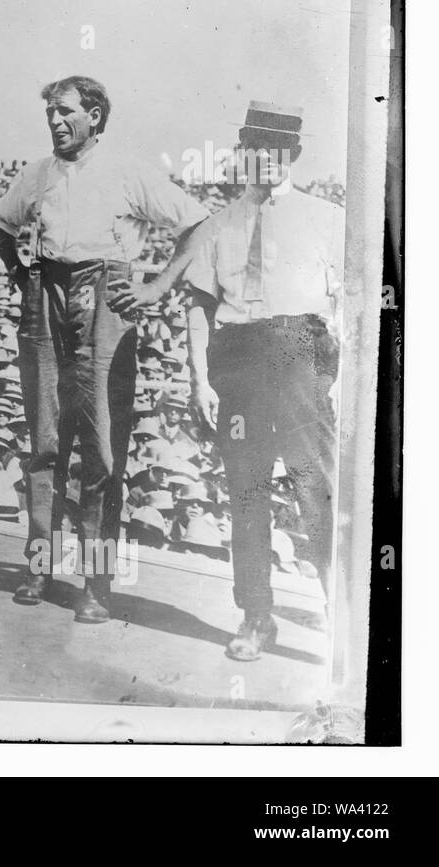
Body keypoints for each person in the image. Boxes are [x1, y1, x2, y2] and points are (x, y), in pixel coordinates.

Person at [0, 75, 208, 622]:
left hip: (105, 294)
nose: (55, 121)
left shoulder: (128, 171)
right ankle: (39, 565)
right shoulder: (37, 173)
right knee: (44, 440)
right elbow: (0, 225)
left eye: (66, 111)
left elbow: (197, 223)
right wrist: (18, 272)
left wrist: (155, 288)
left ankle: (97, 582)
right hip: (46, 291)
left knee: (102, 449)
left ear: (95, 116)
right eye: (50, 113)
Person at [182, 101, 342, 662]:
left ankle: (343, 617)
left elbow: (351, 301)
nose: (267, 159)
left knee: (314, 488)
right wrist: (200, 379)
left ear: (293, 154)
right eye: (257, 149)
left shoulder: (326, 218)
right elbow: (199, 306)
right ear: (244, 153)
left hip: (301, 356)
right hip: (239, 360)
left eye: (278, 150)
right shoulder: (217, 225)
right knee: (246, 490)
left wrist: (341, 376)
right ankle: (255, 616)